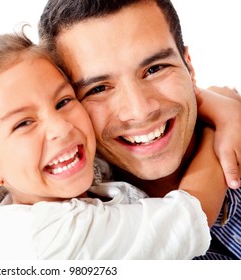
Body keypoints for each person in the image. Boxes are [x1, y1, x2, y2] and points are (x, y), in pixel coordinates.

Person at [0, 31, 231, 259]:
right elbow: (192, 215)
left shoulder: (82, 171)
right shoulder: (45, 241)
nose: (61, 128)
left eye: (64, 101)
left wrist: (218, 104)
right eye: (23, 123)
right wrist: (218, 130)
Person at [39, 0, 241, 259]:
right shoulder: (76, 240)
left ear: (189, 67)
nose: (140, 110)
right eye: (98, 88)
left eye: (155, 69)